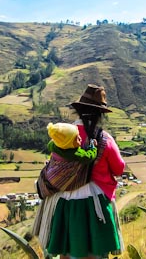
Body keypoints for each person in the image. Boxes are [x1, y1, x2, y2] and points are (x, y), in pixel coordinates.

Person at [33, 84, 125, 259]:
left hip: (63, 204)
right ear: (100, 115)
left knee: (66, 254)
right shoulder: (103, 138)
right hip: (94, 205)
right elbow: (119, 169)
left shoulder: (64, 136)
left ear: (79, 111)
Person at [36, 122, 98, 199]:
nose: (80, 138)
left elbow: (50, 144)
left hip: (50, 175)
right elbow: (89, 157)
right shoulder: (75, 153)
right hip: (59, 181)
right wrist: (93, 147)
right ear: (68, 143)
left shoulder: (55, 145)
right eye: (76, 138)